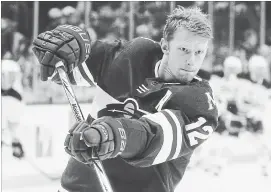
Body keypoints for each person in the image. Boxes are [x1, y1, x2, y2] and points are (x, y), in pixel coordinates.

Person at [32, 6, 218, 192]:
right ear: (165, 46)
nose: (191, 61)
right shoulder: (134, 56)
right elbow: (71, 66)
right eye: (184, 49)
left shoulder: (200, 104)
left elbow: (152, 137)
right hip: (77, 187)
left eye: (199, 52)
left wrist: (113, 133)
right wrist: (62, 52)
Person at [1, 59, 25, 159]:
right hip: (14, 100)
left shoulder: (9, 65)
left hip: (12, 100)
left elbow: (6, 86)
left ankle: (16, 146)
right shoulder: (12, 65)